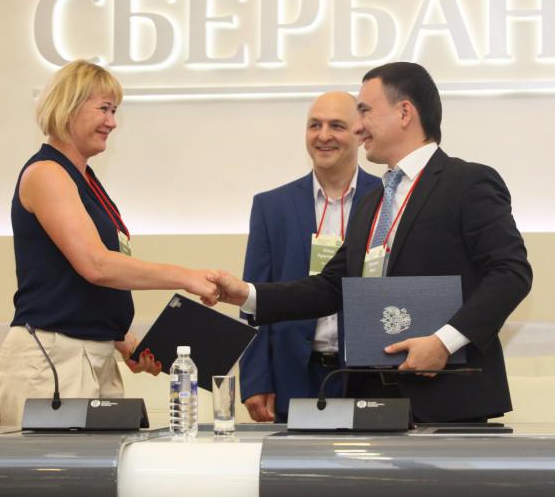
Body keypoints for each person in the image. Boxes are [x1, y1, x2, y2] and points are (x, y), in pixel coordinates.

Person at [212, 62, 532, 423]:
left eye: (365, 111)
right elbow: (331, 287)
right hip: (371, 401)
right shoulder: (373, 201)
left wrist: (444, 342)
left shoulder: (467, 183)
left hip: (447, 399)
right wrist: (246, 294)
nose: (357, 126)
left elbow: (511, 273)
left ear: (404, 113)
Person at [0, 60, 219, 427]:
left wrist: (122, 341)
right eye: (104, 109)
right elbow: (96, 265)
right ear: (68, 107)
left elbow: (73, 281)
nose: (112, 122)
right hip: (52, 360)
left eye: (114, 111)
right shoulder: (47, 173)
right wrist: (187, 277)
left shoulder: (85, 179)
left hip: (92, 356)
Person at [240, 92, 380, 422]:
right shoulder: (271, 207)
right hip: (292, 377)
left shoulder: (387, 198)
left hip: (369, 377)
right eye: (314, 125)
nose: (323, 135)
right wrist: (256, 379)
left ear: (359, 132)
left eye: (337, 126)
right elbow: (255, 298)